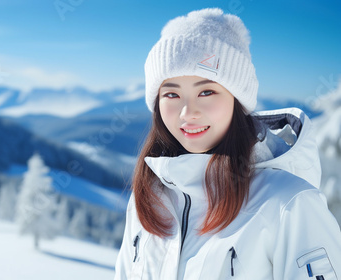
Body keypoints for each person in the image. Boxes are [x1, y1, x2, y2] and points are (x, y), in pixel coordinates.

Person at [114, 8, 341, 280]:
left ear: (237, 99)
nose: (187, 112)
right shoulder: (150, 199)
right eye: (172, 94)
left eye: (206, 91)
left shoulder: (290, 204)